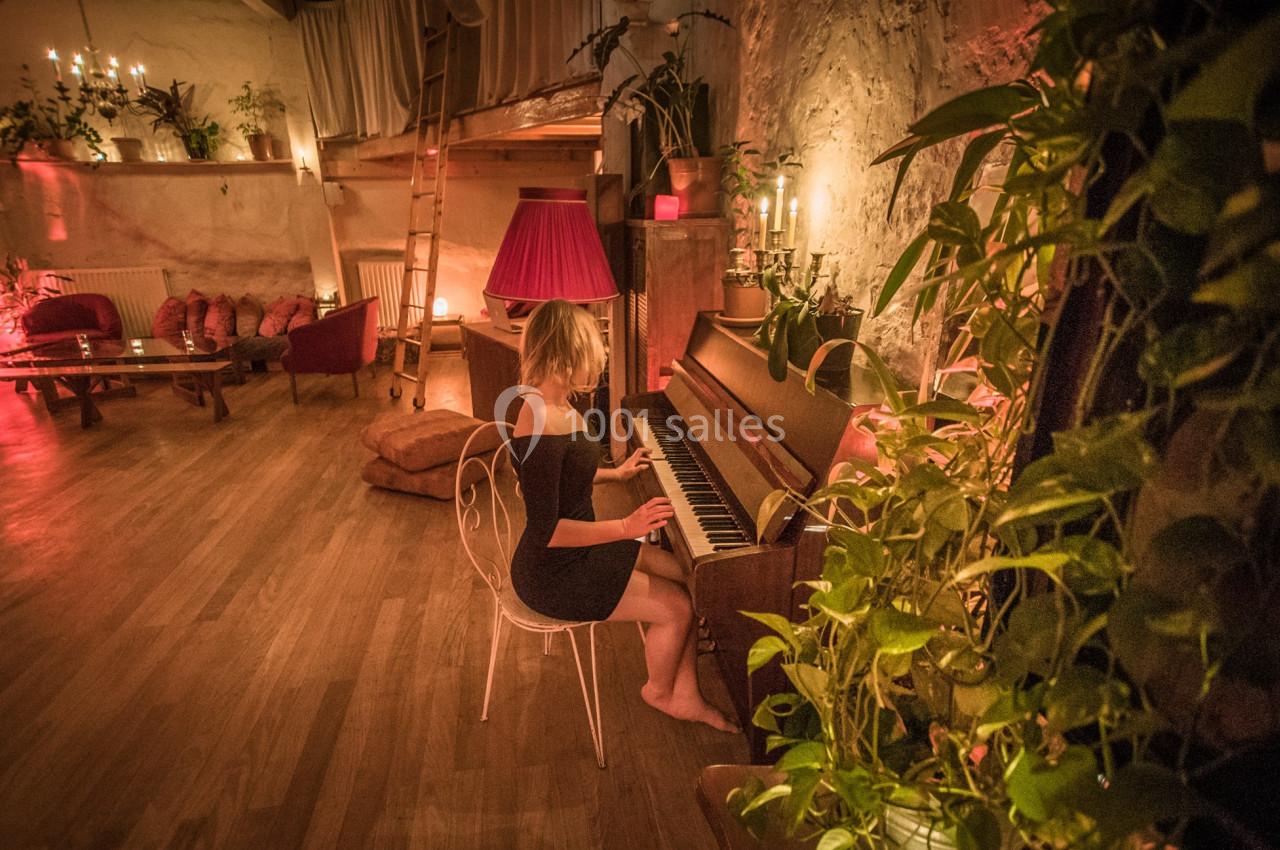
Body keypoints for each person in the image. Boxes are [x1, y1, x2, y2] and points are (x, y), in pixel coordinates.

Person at [507, 299, 738, 734]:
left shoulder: (555, 406)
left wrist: (616, 473)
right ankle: (661, 692)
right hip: (551, 571)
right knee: (677, 608)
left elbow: (564, 476)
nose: (599, 358)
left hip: (583, 547)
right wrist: (627, 527)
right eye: (592, 349)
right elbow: (548, 531)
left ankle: (686, 693)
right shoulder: (537, 417)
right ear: (566, 351)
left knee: (686, 573)